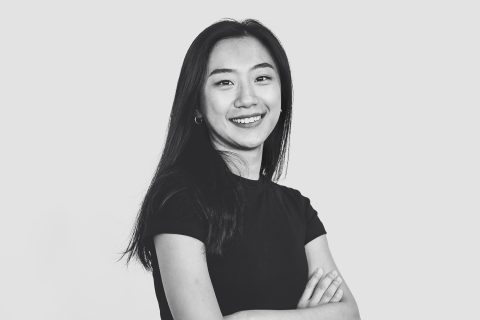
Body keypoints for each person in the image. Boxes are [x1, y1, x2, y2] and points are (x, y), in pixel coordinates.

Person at [121, 19, 361, 320]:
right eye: (225, 82)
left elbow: (349, 314)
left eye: (261, 78)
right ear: (196, 104)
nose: (247, 98)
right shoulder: (179, 201)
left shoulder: (298, 210)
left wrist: (245, 318)